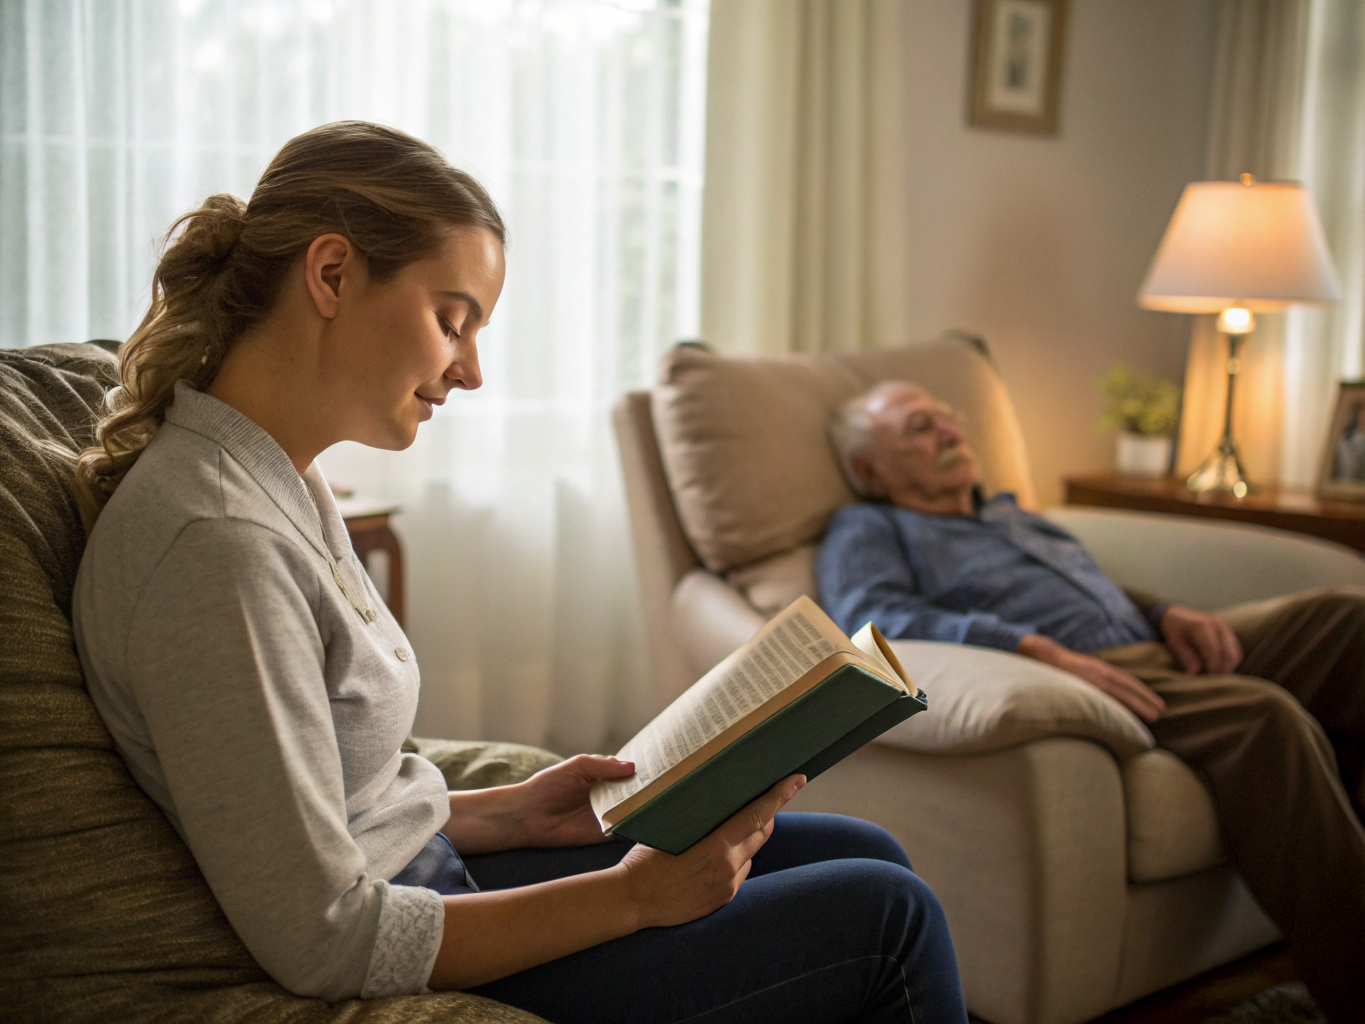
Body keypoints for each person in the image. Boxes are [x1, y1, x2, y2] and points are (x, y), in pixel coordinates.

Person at [70, 122, 967, 1024]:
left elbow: (334, 800)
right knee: (888, 918)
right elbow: (325, 936)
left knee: (867, 848)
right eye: (451, 321)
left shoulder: (282, 478)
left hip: (439, 871)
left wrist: (514, 814)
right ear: (332, 275)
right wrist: (632, 899)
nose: (471, 372)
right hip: (416, 933)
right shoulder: (218, 544)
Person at [817, 380, 1365, 1024]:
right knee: (1265, 717)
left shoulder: (1008, 513)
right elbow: (874, 618)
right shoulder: (869, 526)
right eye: (919, 426)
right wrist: (1036, 649)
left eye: (949, 417)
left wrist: (1164, 610)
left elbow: (1088, 585)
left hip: (1153, 643)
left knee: (1344, 622)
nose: (950, 432)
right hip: (1098, 673)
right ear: (868, 470)